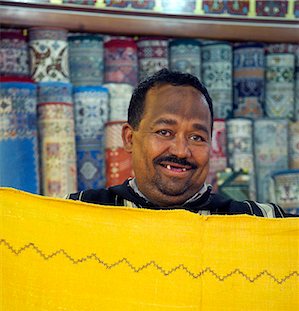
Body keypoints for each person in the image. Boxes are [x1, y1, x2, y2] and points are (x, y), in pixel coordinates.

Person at [67, 69, 293, 217]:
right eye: (165, 132)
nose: (180, 151)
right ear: (129, 138)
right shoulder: (80, 214)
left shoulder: (257, 223)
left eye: (197, 137)